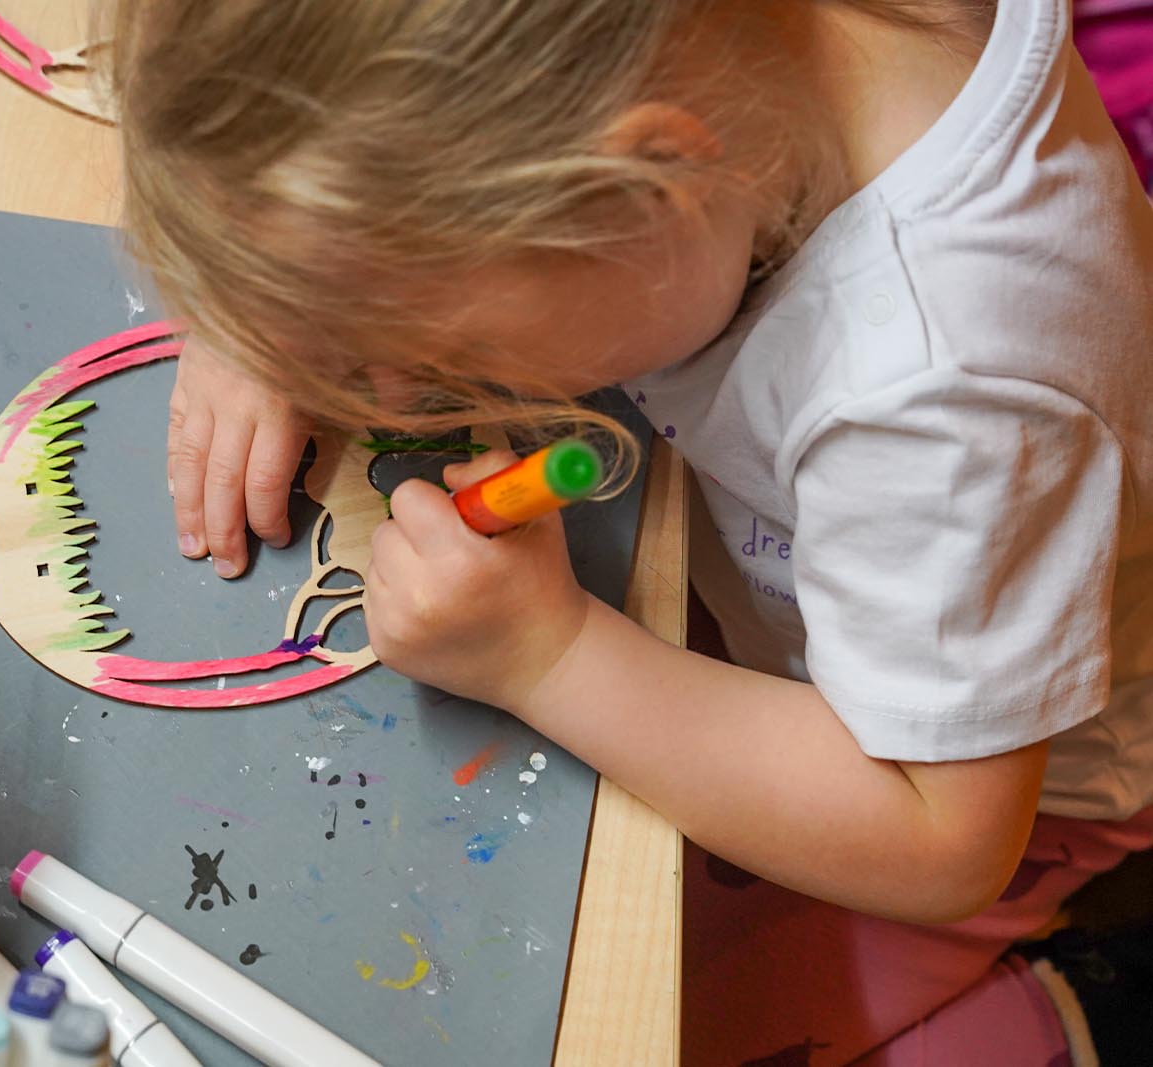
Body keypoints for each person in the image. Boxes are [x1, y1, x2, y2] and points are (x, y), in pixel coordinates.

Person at [108, 1, 1153, 1062]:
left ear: (649, 189)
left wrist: (548, 654)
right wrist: (282, 285)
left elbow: (943, 840)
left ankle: (1077, 1004)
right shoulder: (729, 85)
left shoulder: (944, 393)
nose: (387, 393)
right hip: (787, 572)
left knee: (649, 1019)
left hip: (968, 774)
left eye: (438, 351)